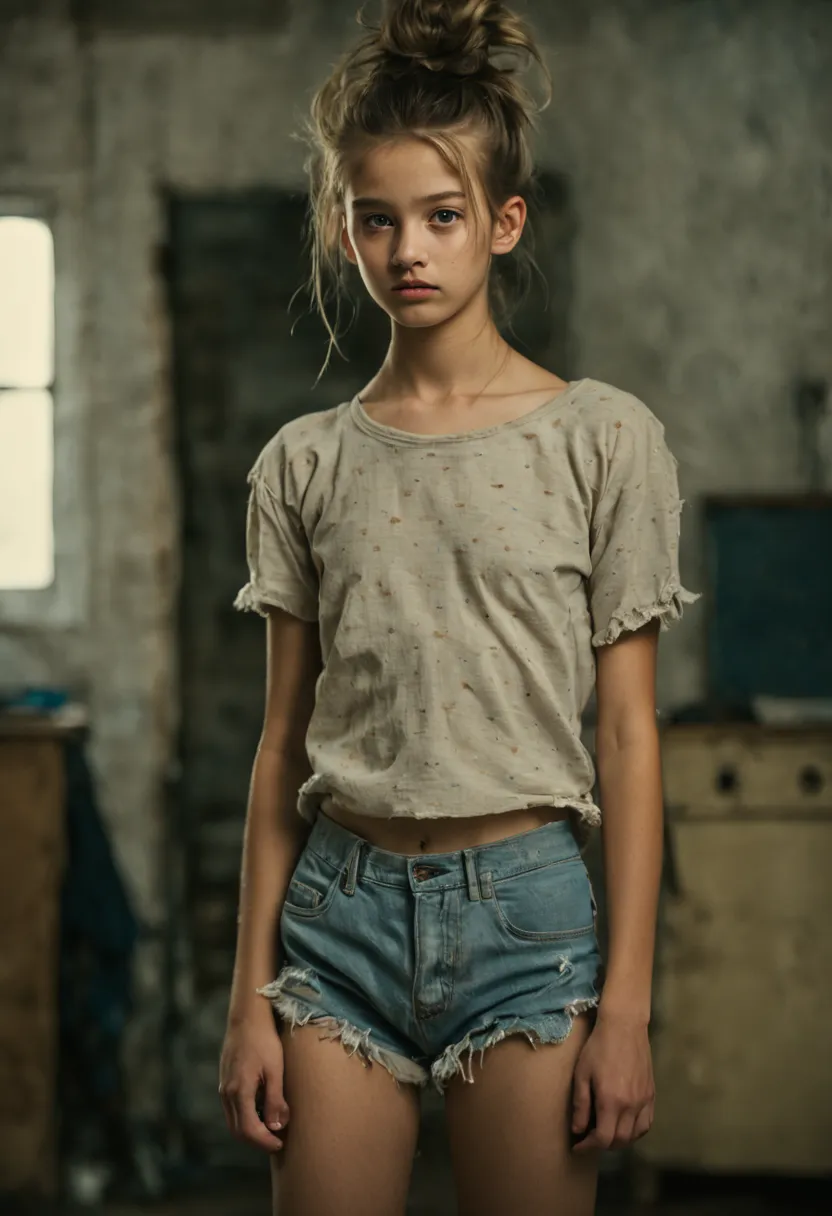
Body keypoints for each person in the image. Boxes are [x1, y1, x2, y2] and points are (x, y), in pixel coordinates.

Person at [219, 2, 698, 1213]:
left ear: (502, 221)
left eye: (441, 217)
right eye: (377, 220)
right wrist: (247, 1000)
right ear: (344, 230)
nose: (409, 251)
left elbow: (630, 735)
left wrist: (628, 1004)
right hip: (337, 923)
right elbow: (282, 746)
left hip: (530, 921)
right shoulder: (302, 466)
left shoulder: (602, 440)